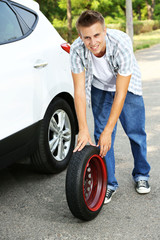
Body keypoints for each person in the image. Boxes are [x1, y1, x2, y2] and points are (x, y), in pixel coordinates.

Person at [70, 10, 151, 204]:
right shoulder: (76, 49)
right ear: (80, 37)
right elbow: (79, 91)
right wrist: (83, 129)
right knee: (101, 138)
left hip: (126, 87)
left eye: (97, 35)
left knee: (135, 133)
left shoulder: (121, 43)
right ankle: (109, 184)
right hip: (99, 87)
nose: (93, 42)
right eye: (87, 37)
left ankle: (141, 175)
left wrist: (109, 129)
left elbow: (121, 93)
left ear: (105, 31)